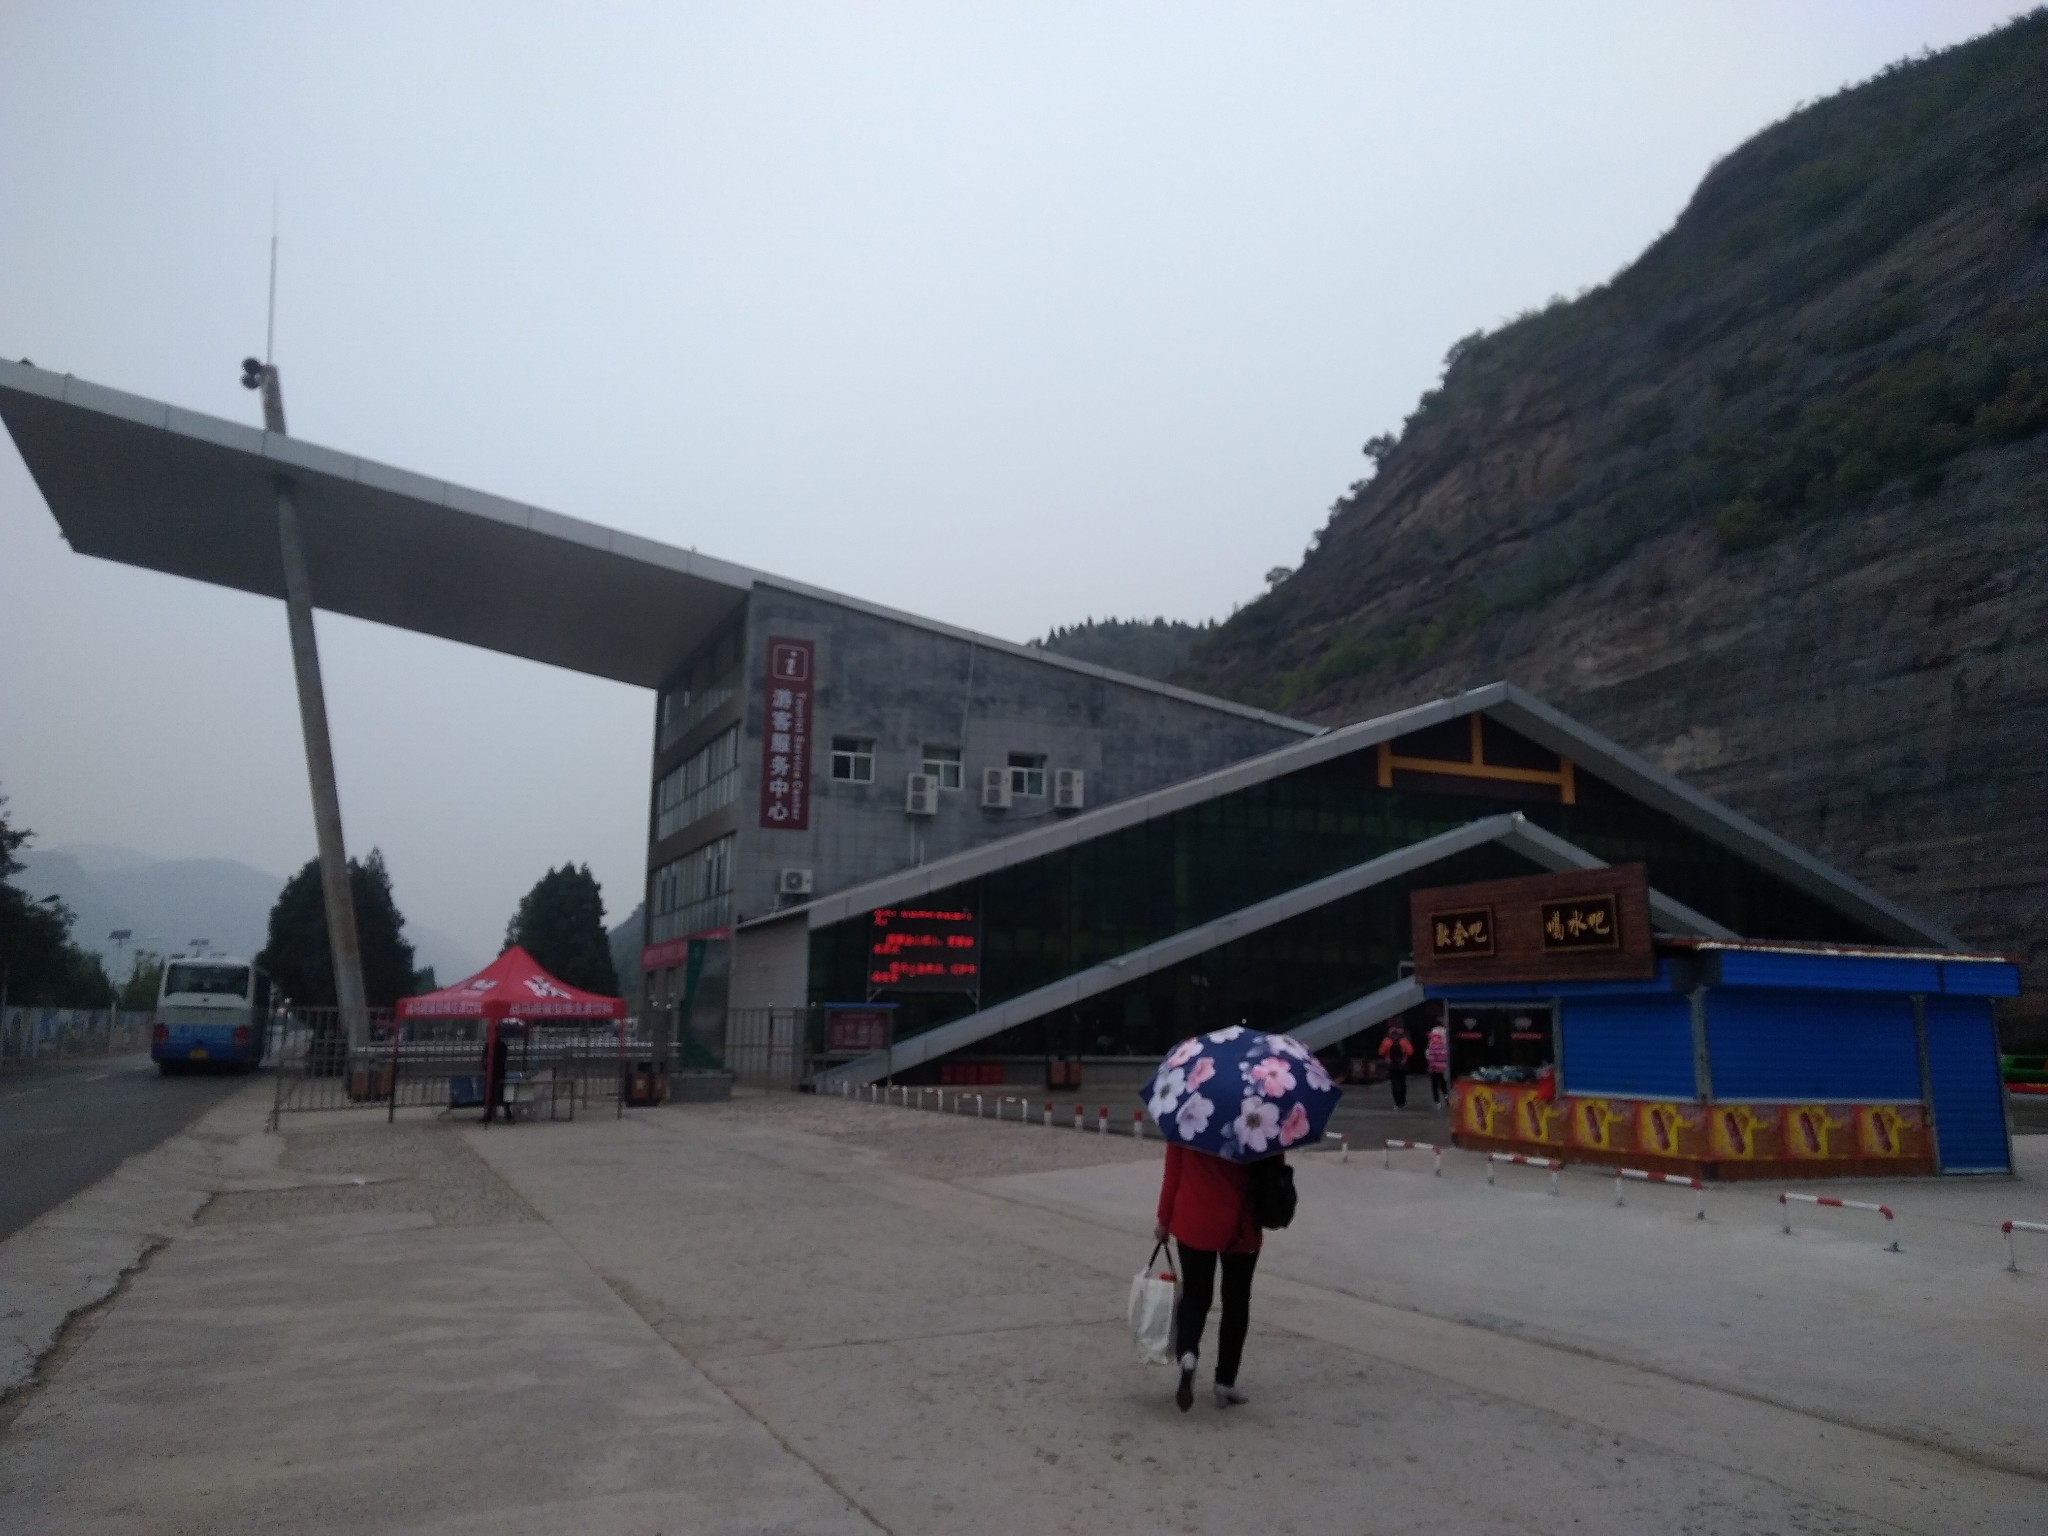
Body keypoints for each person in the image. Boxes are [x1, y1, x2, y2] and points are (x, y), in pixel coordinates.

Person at [1153, 1140, 1261, 1413]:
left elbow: (1173, 1172)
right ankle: (1225, 1381)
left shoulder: (1185, 1121)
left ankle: (1188, 1355)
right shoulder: (1259, 1122)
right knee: (1236, 1301)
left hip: (1193, 1217)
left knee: (1195, 1295)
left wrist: (1164, 1219)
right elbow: (1270, 1172)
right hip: (1240, 1225)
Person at [1379, 1021, 1416, 1108]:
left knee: (1394, 1084)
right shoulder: (1404, 1040)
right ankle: (1402, 1101)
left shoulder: (1387, 1040)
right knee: (1402, 1083)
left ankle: (1396, 1102)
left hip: (1391, 1065)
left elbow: (1381, 1052)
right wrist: (1405, 1057)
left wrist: (1387, 1056)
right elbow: (1410, 1052)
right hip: (1402, 1065)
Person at [1425, 1020, 1450, 1107]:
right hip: (1443, 1066)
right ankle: (1446, 1095)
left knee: (1434, 1084)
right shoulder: (1445, 1035)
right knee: (1442, 1081)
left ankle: (1437, 1102)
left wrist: (1429, 1065)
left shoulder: (1432, 1041)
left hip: (1434, 1067)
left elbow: (1429, 1055)